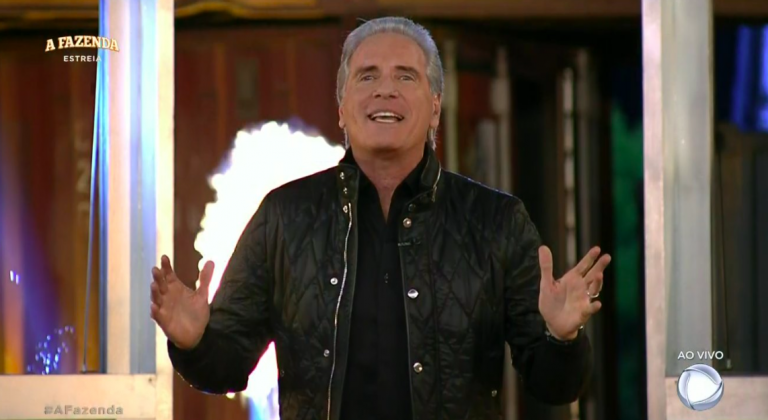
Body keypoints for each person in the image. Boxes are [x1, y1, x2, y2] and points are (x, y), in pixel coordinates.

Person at [151, 16, 609, 420]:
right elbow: (226, 367)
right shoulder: (285, 217)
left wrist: (561, 339)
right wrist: (194, 342)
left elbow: (555, 387)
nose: (385, 89)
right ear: (341, 109)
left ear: (435, 107)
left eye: (405, 76)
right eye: (367, 75)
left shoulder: (496, 220)